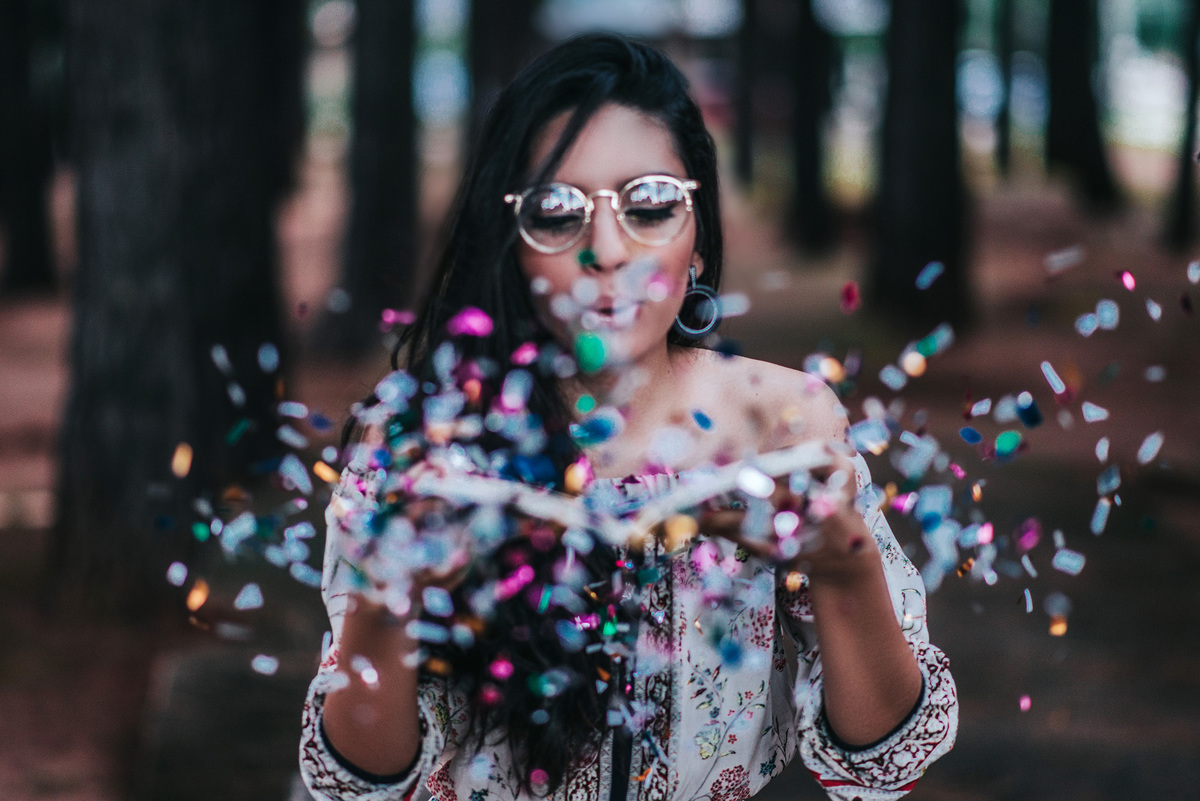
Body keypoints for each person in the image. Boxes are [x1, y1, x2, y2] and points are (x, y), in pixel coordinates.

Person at [300, 33, 957, 801]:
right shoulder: (424, 441)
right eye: (555, 211)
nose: (606, 250)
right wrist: (385, 611)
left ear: (699, 240)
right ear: (509, 242)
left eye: (649, 206)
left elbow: (888, 767)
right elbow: (356, 787)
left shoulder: (785, 425)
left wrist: (845, 567)